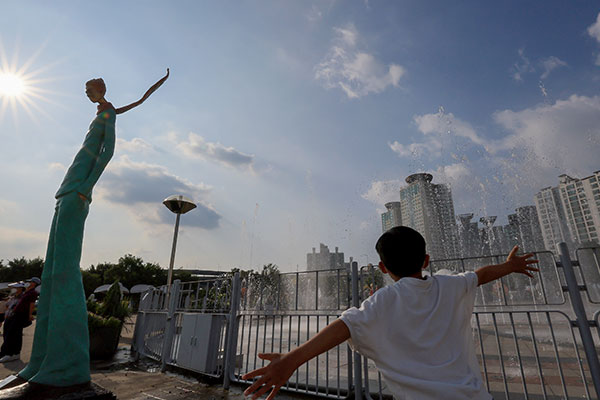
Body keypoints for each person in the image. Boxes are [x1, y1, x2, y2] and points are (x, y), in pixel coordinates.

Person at [0, 70, 169, 399]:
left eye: (88, 89)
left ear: (99, 89)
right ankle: (41, 363)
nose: (85, 94)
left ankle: (65, 369)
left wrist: (85, 188)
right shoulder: (103, 112)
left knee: (63, 273)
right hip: (65, 191)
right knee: (51, 275)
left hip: (77, 191)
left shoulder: (107, 113)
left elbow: (107, 152)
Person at [242, 226, 539, 400]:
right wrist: (510, 267)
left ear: (383, 268)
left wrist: (290, 361)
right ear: (425, 260)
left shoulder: (381, 302)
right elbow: (480, 275)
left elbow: (342, 327)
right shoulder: (450, 286)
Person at [0, 278, 40, 363]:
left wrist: (30, 315)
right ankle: (8, 353)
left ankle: (12, 353)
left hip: (20, 316)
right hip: (14, 315)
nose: (28, 283)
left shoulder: (33, 293)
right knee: (10, 334)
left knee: (14, 335)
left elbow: (32, 305)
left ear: (34, 283)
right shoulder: (27, 292)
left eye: (30, 282)